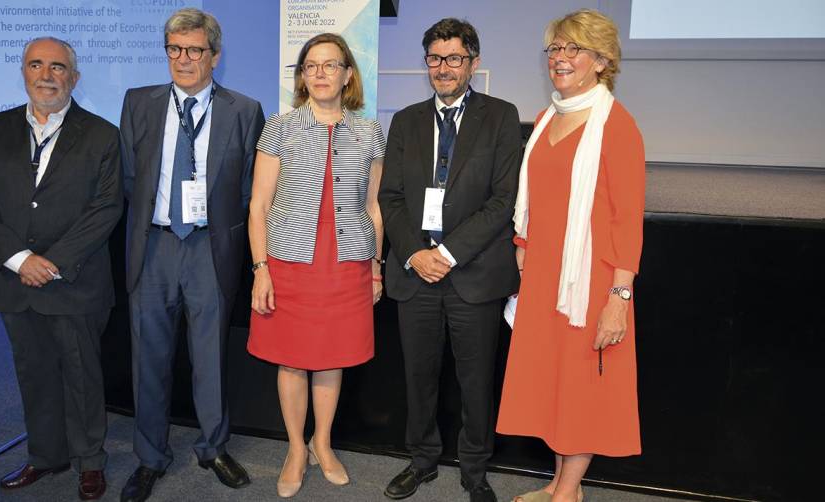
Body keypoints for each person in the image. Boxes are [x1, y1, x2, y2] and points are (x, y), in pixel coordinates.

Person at [0, 36, 122, 500]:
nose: (46, 75)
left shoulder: (101, 134)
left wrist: (50, 263)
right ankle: (46, 456)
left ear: (74, 77)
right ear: (24, 72)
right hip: (14, 280)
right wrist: (19, 260)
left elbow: (106, 207)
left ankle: (90, 462)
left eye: (57, 67)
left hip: (73, 281)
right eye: (36, 65)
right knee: (33, 373)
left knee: (82, 376)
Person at [496, 9, 645, 502]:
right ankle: (561, 484)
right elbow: (534, 197)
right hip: (543, 274)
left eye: (573, 49)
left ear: (601, 61)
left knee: (581, 387)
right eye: (555, 49)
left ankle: (568, 491)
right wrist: (522, 248)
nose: (560, 59)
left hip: (590, 281)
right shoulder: (545, 119)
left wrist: (618, 297)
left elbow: (627, 219)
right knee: (554, 382)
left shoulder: (617, 126)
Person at [118, 8, 264, 502]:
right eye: (174, 49)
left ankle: (213, 447)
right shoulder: (138, 102)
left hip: (209, 248)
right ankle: (149, 457)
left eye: (194, 50)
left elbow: (248, 188)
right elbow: (130, 179)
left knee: (210, 358)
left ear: (215, 56)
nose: (183, 59)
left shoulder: (244, 109)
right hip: (155, 245)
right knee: (148, 358)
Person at [379, 18, 521, 502]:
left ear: (473, 64)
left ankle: (475, 472)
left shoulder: (501, 116)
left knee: (475, 381)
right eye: (435, 58)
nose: (444, 68)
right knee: (418, 376)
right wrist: (418, 254)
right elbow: (390, 197)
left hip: (473, 274)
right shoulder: (406, 121)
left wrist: (446, 253)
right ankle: (421, 462)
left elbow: (503, 201)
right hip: (415, 274)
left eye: (454, 58)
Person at [246, 33, 385, 498]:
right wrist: (260, 268)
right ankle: (294, 449)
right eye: (311, 66)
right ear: (302, 76)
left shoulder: (370, 132)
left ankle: (322, 444)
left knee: (332, 358)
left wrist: (377, 267)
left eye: (331, 65)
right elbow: (259, 205)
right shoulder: (279, 127)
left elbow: (373, 206)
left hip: (347, 263)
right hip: (289, 261)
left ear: (348, 74)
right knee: (292, 359)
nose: (321, 73)